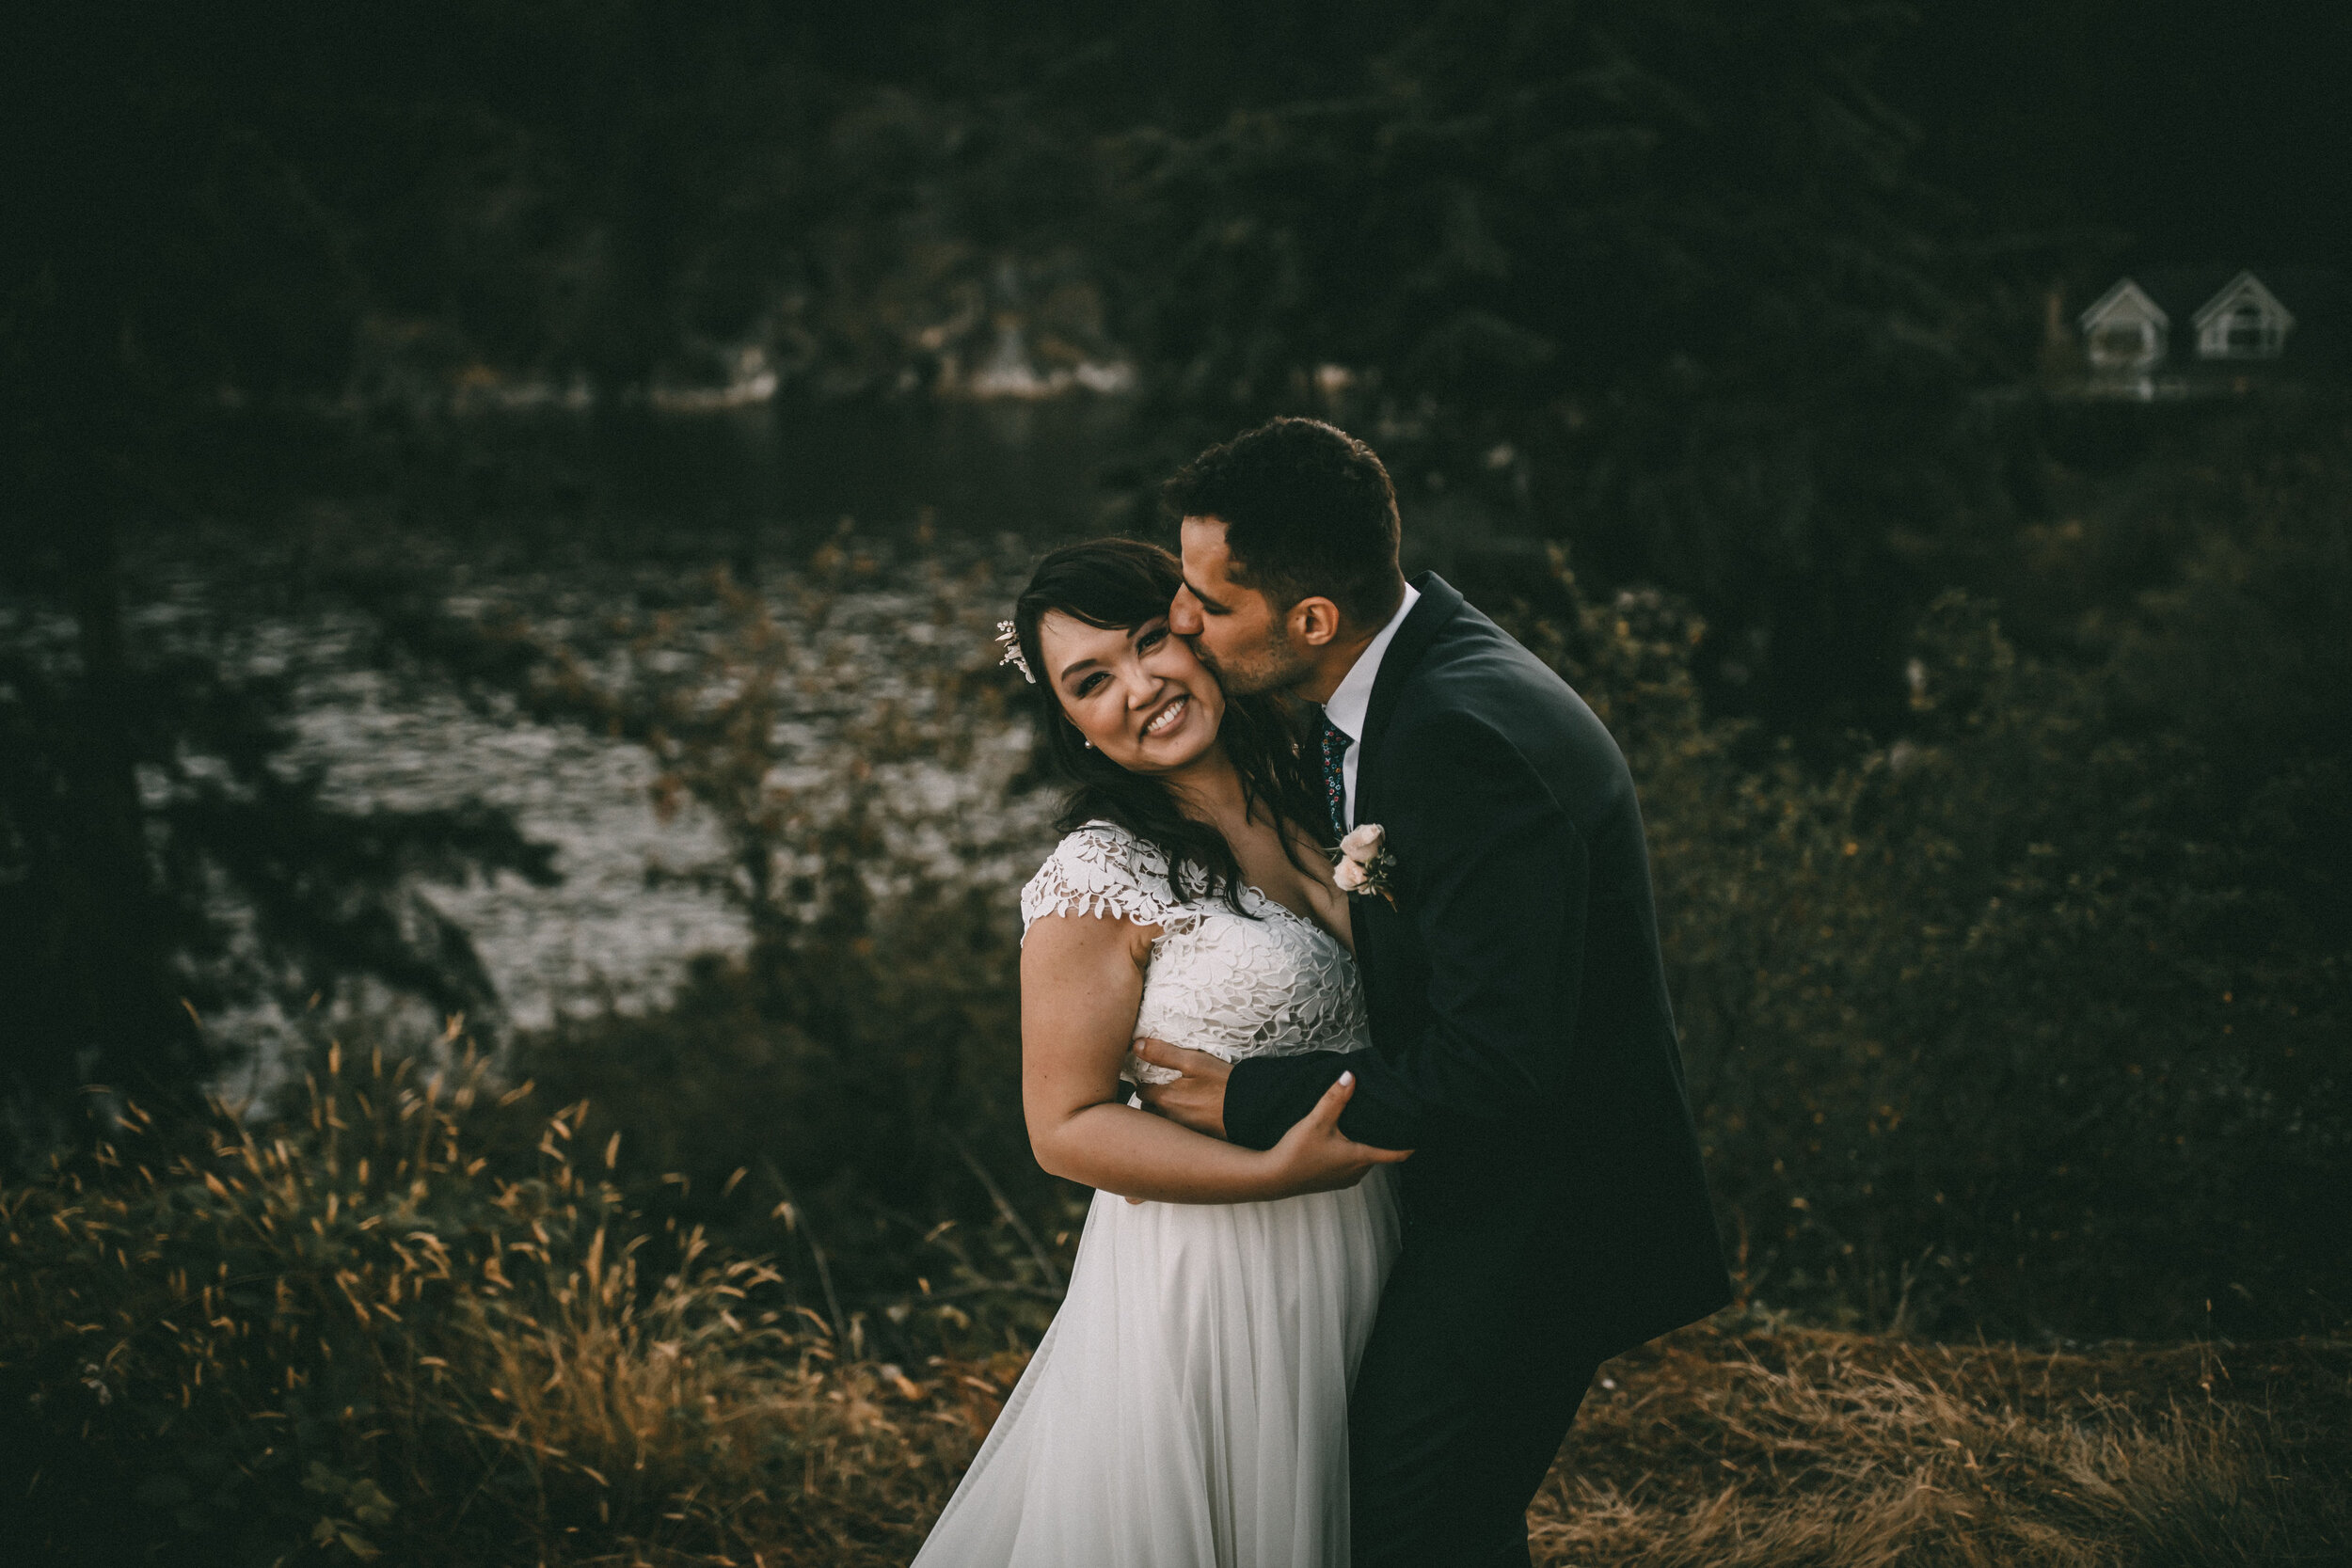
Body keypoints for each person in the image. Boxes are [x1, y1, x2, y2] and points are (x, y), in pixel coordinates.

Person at [1136, 417, 1732, 1566]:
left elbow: (1498, 1062)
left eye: (1209, 603)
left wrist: (1255, 1096)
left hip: (1545, 1212)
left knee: (1402, 1518)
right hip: (1495, 1188)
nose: (1181, 622)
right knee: (1445, 1519)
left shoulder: (1457, 735)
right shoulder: (1409, 678)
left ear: (1310, 620)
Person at [911, 536, 1411, 1567]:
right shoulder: (1097, 876)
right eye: (1092, 681)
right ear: (1072, 725)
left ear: (1198, 629)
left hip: (1369, 1231)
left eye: (1150, 641)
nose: (1139, 688)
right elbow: (1065, 1126)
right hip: (1216, 1269)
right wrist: (1270, 1169)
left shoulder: (1323, 794)